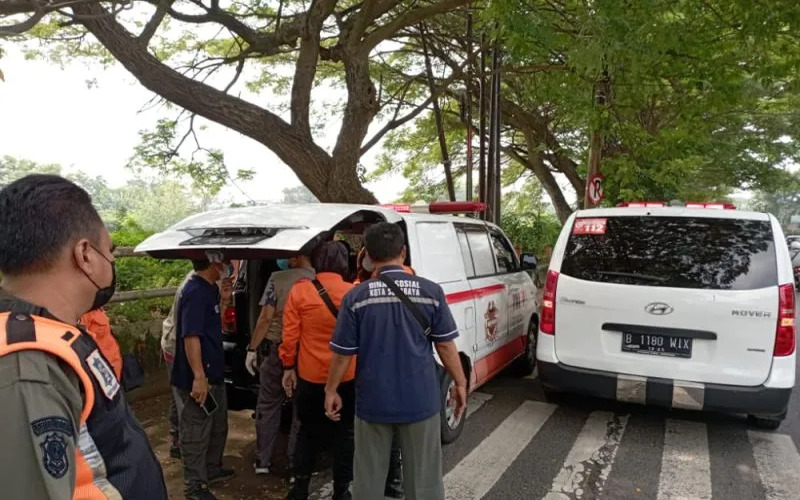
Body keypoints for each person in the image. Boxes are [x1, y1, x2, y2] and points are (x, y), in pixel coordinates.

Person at [0, 174, 167, 499]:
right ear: (85, 255)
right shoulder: (28, 367)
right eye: (110, 250)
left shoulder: (51, 333)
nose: (113, 260)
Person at [325, 223, 468, 500]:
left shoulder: (356, 297)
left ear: (367, 255)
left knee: (368, 481)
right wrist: (460, 383)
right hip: (421, 401)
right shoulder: (431, 292)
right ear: (403, 252)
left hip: (373, 403)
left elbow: (343, 353)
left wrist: (331, 390)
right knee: (424, 483)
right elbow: (446, 346)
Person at [280, 242, 357, 500]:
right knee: (344, 434)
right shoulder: (353, 292)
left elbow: (290, 336)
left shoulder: (300, 292)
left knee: (307, 432)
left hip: (310, 376)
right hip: (346, 375)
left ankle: (299, 488)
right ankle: (341, 491)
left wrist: (288, 367)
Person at [244, 253, 314, 476]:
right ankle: (296, 464)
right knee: (300, 410)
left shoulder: (277, 278)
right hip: (306, 354)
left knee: (268, 404)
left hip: (277, 349)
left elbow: (265, 318)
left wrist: (252, 348)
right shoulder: (320, 281)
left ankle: (263, 461)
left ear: (297, 256)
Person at [172, 259, 236, 500]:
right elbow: (191, 336)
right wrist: (199, 376)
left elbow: (211, 328)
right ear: (213, 261)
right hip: (196, 378)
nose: (228, 265)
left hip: (213, 373)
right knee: (195, 431)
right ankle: (195, 486)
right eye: (225, 260)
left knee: (217, 425)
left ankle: (212, 469)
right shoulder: (194, 291)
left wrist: (225, 299)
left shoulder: (209, 289)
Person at [162, 270, 196, 459]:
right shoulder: (195, 286)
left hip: (174, 343)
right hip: (176, 346)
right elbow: (191, 333)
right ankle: (186, 446)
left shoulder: (195, 280)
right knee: (183, 398)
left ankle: (176, 440)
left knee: (178, 396)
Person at [80, 308, 123, 380]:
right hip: (100, 366)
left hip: (112, 361)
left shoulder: (97, 308)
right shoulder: (83, 312)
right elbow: (83, 338)